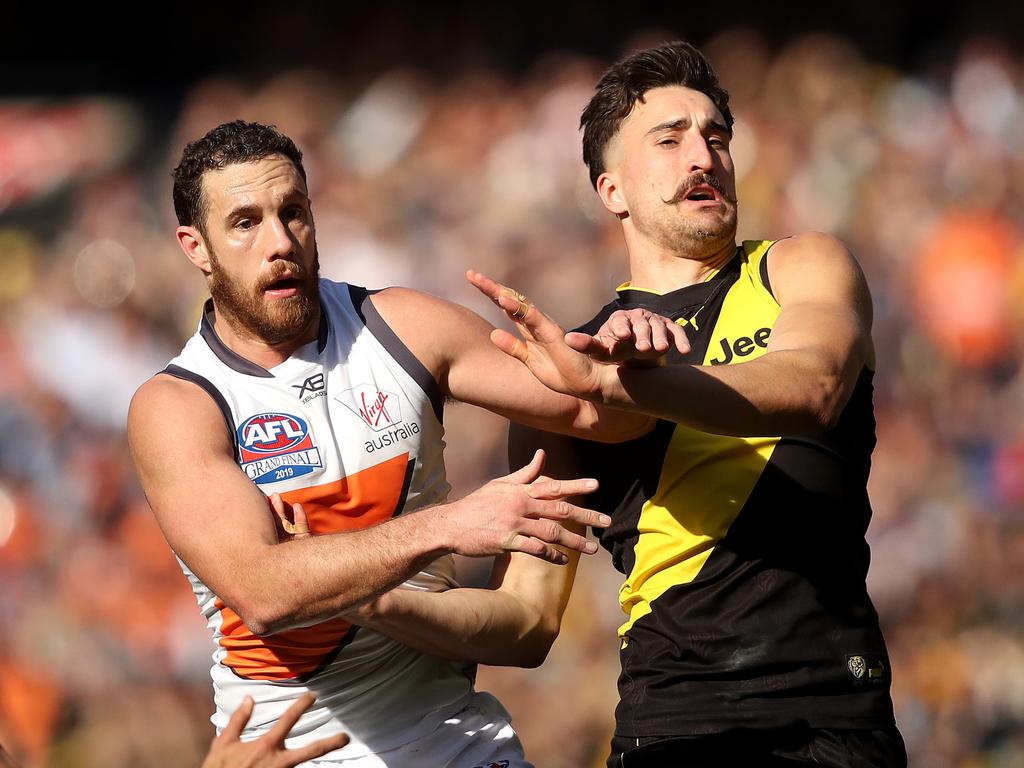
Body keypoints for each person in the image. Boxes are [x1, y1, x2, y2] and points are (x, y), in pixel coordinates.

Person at [127, 120, 678, 767]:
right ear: (196, 247)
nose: (280, 242)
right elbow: (265, 593)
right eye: (245, 223)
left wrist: (634, 362)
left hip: (458, 740)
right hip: (299, 752)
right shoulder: (179, 405)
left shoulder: (403, 328)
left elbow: (599, 416)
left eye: (294, 212)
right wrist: (449, 526)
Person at [478, 41, 905, 767]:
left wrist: (626, 386)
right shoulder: (570, 366)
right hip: (672, 731)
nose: (702, 157)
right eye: (669, 141)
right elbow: (524, 620)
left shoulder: (798, 267)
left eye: (715, 137)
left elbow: (814, 389)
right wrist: (373, 591)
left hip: (837, 722)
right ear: (612, 191)